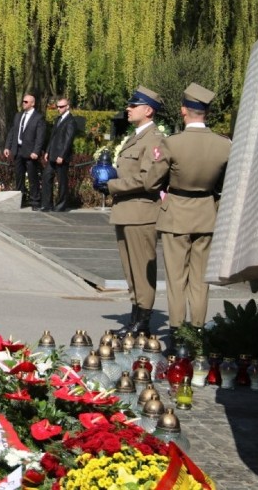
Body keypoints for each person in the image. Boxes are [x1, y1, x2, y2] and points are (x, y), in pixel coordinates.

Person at [144, 83, 231, 346]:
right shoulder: (224, 145)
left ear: (184, 110)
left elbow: (151, 183)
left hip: (177, 214)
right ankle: (198, 330)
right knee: (200, 279)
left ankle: (177, 332)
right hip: (206, 213)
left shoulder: (172, 144)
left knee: (176, 278)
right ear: (206, 112)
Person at [103, 85, 165, 336]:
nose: (128, 109)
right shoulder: (135, 137)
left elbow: (148, 179)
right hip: (126, 212)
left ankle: (143, 321)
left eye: (134, 105)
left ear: (148, 110)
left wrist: (112, 185)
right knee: (131, 270)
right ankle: (135, 318)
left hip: (142, 214)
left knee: (142, 269)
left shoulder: (154, 140)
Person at [3, 93, 45, 210]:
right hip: (18, 150)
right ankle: (20, 200)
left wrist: (36, 151)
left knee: (33, 177)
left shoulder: (38, 118)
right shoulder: (18, 116)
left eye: (26, 102)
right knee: (19, 177)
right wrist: (8, 147)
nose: (23, 103)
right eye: (23, 101)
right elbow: (12, 131)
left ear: (32, 103)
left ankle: (35, 201)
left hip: (30, 152)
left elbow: (40, 137)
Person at [41, 96, 78, 212]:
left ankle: (61, 205)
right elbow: (53, 137)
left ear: (67, 107)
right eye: (57, 106)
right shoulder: (58, 119)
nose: (59, 109)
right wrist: (47, 151)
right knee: (47, 177)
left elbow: (68, 140)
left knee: (62, 181)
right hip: (52, 154)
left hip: (61, 156)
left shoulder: (71, 121)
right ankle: (47, 204)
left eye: (61, 106)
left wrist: (62, 155)